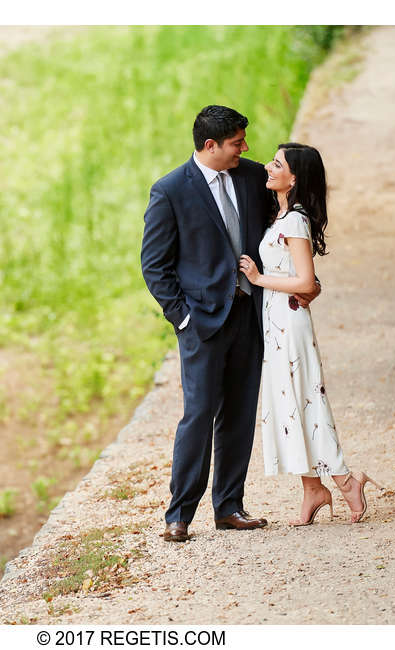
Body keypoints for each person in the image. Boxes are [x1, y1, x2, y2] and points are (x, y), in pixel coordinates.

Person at [141, 106, 320, 542]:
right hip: (200, 323)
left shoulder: (252, 176)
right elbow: (154, 266)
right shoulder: (170, 191)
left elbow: (290, 221)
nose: (246, 148)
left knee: (240, 415)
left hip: (251, 314)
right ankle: (179, 514)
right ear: (210, 146)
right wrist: (182, 318)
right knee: (199, 415)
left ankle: (229, 507)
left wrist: (305, 278)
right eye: (237, 142)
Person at [238, 143, 380, 525]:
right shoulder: (280, 216)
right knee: (288, 404)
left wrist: (257, 278)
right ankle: (313, 489)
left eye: (278, 163)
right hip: (277, 321)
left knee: (305, 400)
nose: (269, 166)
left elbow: (304, 279)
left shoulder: (295, 220)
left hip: (290, 322)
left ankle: (347, 481)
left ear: (294, 177)